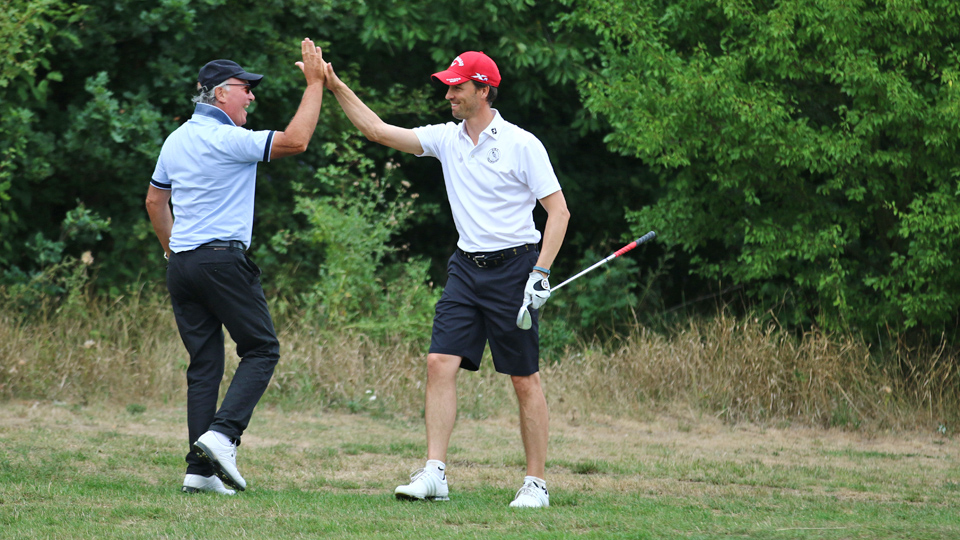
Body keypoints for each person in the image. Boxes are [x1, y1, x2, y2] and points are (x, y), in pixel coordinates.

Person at [322, 50, 569, 508]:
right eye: (449, 85)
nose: (449, 93)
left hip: (516, 268)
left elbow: (558, 212)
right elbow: (377, 131)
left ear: (483, 90)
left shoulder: (521, 144)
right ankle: (435, 472)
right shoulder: (445, 139)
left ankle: (536, 483)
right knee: (440, 362)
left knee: (523, 379)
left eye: (458, 87)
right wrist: (335, 86)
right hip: (465, 268)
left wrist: (540, 272)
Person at [145, 39, 326, 495]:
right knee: (262, 349)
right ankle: (223, 436)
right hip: (222, 261)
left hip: (182, 265)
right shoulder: (226, 137)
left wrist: (171, 250)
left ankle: (199, 472)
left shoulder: (177, 137)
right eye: (244, 88)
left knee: (205, 364)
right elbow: (297, 141)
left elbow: (154, 200)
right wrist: (315, 83)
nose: (251, 96)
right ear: (219, 93)